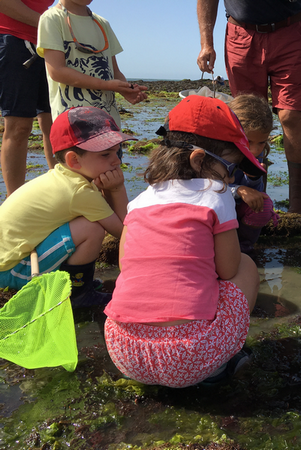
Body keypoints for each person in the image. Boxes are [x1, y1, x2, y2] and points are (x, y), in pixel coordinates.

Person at [103, 96, 265, 388]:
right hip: (189, 357)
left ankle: (163, 367)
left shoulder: (139, 203)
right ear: (198, 159)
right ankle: (218, 366)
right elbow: (228, 271)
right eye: (230, 168)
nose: (231, 178)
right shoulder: (215, 195)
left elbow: (125, 264)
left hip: (125, 351)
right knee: (247, 266)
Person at [0, 106, 133, 307]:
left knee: (85, 223)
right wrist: (116, 189)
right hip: (12, 268)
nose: (116, 161)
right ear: (74, 159)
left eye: (117, 152)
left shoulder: (64, 177)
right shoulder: (80, 192)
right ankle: (78, 295)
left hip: (10, 258)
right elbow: (123, 231)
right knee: (92, 228)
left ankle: (76, 282)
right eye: (105, 155)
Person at [197, 0, 301, 215]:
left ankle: (298, 206)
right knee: (247, 120)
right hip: (240, 35)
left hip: (290, 32)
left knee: (290, 116)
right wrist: (207, 43)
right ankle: (257, 201)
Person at [36, 0, 147, 130]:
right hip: (73, 123)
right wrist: (106, 85)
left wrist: (126, 89)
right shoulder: (52, 18)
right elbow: (57, 71)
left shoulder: (102, 23)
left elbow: (114, 71)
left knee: (111, 151)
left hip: (109, 122)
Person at [0, 0, 54, 197]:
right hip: (13, 40)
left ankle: (61, 190)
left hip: (47, 46)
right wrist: (50, 24)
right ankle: (15, 201)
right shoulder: (48, 23)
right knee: (19, 127)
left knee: (54, 124)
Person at [228, 93, 279, 253]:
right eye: (248, 142)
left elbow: (257, 193)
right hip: (215, 208)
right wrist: (239, 190)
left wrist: (253, 178)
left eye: (262, 142)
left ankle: (244, 248)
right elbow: (209, 188)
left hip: (238, 210)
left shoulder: (259, 155)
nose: (255, 150)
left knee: (263, 205)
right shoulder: (220, 153)